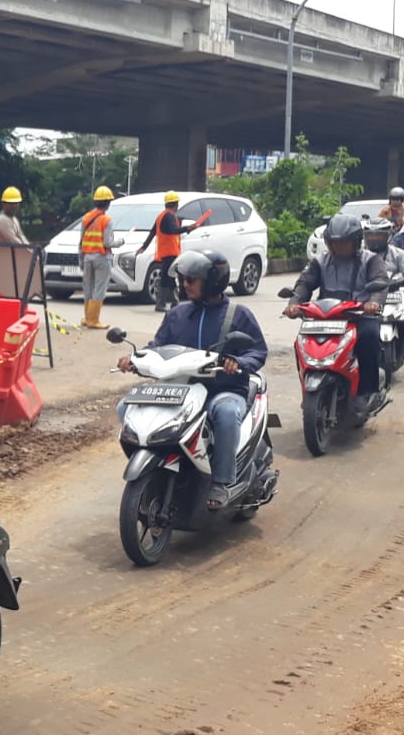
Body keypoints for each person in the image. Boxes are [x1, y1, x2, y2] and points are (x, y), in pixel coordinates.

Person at [117, 250, 268, 509]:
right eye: (183, 279)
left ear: (213, 281)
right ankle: (160, 464)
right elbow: (158, 346)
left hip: (223, 389)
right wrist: (135, 359)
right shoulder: (178, 313)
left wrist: (238, 362)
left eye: (191, 280)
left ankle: (221, 482)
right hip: (181, 389)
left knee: (226, 413)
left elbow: (258, 350)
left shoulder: (238, 314)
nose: (184, 284)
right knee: (126, 407)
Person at [285, 212, 388, 414]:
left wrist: (373, 303)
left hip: (359, 316)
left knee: (369, 336)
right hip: (326, 316)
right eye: (334, 241)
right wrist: (294, 303)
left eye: (344, 242)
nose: (338, 246)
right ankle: (308, 389)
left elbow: (379, 285)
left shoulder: (371, 260)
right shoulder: (320, 261)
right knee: (301, 343)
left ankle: (366, 390)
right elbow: (305, 284)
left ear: (356, 241)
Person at [135, 190, 195, 312]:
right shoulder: (170, 216)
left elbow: (152, 232)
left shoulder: (161, 216)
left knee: (169, 277)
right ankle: (164, 304)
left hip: (165, 252)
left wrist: (144, 247)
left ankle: (173, 303)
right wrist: (187, 228)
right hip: (170, 252)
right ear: (175, 204)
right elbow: (173, 230)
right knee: (168, 277)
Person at [79, 185, 123, 329]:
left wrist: (80, 259)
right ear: (108, 203)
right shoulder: (106, 220)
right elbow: (108, 242)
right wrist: (121, 242)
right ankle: (93, 320)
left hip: (87, 257)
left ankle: (87, 318)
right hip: (101, 258)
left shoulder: (86, 218)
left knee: (88, 288)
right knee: (99, 288)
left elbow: (81, 241)